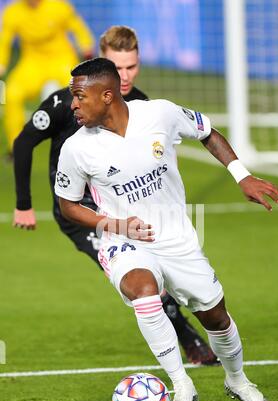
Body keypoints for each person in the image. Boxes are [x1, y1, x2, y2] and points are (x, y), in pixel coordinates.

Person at [55, 58, 278, 401]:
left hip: (177, 238)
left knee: (217, 317)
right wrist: (113, 224)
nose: (73, 105)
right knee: (142, 290)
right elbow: (67, 205)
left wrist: (242, 176)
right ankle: (182, 385)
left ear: (108, 95)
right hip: (123, 241)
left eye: (80, 97)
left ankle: (237, 381)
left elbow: (207, 131)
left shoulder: (159, 114)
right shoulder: (76, 148)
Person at [13, 25, 218, 366]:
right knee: (146, 282)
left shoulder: (141, 106)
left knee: (166, 274)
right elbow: (23, 143)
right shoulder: (67, 101)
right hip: (83, 216)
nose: (124, 76)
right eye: (116, 68)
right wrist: (23, 205)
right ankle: (189, 341)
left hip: (135, 212)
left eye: (131, 68)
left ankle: (202, 333)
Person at [0, 0, 94, 153]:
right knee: (12, 92)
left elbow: (77, 27)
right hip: (32, 62)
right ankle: (17, 146)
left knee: (80, 92)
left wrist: (86, 45)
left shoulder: (59, 6)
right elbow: (4, 40)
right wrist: (1, 63)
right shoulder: (13, 12)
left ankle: (86, 139)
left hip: (61, 59)